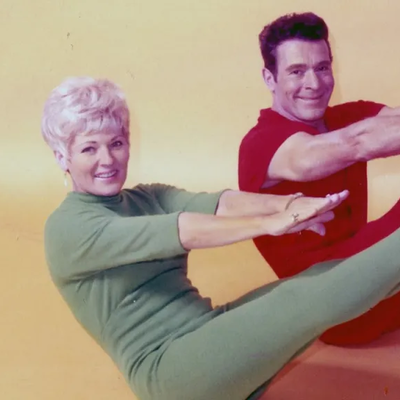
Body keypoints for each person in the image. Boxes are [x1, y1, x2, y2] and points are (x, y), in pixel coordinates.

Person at [42, 76, 400, 400]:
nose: (107, 159)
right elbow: (183, 230)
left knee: (320, 276)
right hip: (170, 373)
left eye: (116, 143)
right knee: (305, 297)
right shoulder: (67, 227)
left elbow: (221, 203)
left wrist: (289, 204)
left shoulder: (147, 197)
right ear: (62, 157)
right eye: (89, 148)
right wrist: (270, 224)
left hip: (207, 336)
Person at [238, 11, 400, 346]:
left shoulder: (348, 116)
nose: (314, 83)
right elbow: (354, 144)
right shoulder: (260, 144)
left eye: (323, 68)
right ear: (269, 78)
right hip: (337, 311)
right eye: (297, 71)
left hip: (382, 286)